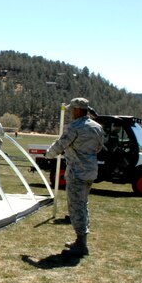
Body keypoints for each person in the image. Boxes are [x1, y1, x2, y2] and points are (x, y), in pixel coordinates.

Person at [44, 97, 104, 257]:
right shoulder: (97, 127)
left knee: (76, 206)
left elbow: (60, 145)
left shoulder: (74, 127)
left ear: (78, 110)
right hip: (91, 171)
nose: (71, 112)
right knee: (83, 204)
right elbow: (99, 148)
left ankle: (81, 244)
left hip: (77, 172)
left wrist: (48, 154)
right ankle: (80, 240)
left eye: (72, 109)